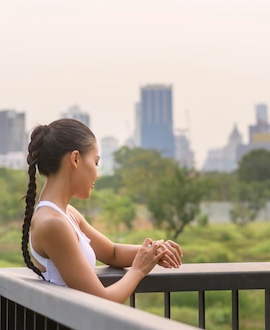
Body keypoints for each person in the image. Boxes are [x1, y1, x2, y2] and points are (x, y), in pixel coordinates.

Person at [21, 118, 183, 303]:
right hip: (70, 329)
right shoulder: (53, 223)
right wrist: (138, 270)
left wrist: (153, 251)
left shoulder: (68, 214)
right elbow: (102, 299)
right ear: (75, 159)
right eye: (96, 162)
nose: (97, 174)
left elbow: (112, 252)